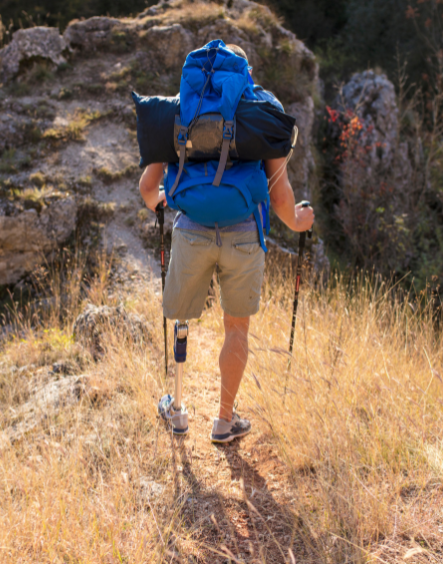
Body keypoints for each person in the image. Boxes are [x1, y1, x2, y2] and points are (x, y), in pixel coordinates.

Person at [139, 44, 314, 444]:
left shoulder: (182, 109)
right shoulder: (260, 110)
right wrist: (302, 221)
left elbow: (149, 189)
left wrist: (165, 201)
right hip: (242, 230)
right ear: (243, 73)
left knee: (182, 318)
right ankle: (223, 420)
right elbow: (282, 198)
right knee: (236, 328)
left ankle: (178, 411)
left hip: (191, 228)